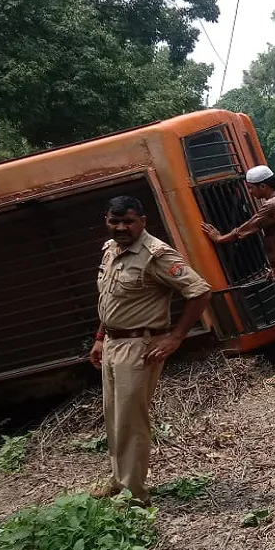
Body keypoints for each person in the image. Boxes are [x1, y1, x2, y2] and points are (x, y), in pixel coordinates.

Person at [90, 196, 212, 504]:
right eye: (114, 221)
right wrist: (101, 336)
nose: (121, 227)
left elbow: (199, 291)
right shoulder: (111, 249)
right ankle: (119, 480)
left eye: (128, 221)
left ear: (143, 221)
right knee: (115, 416)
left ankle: (134, 494)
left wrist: (175, 337)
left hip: (139, 347)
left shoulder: (154, 254)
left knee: (131, 419)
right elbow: (109, 299)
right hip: (113, 344)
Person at [202, 165, 275, 385]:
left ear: (263, 186)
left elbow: (248, 228)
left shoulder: (273, 205)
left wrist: (219, 239)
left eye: (252, 188)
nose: (251, 193)